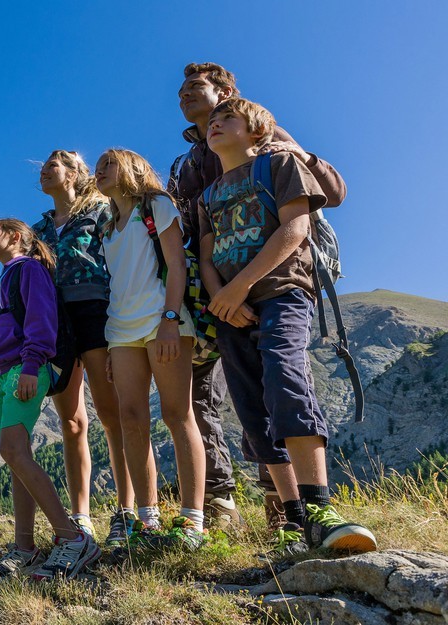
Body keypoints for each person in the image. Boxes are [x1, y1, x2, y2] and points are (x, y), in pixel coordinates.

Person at [167, 62, 348, 530]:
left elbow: (328, 195)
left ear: (227, 92)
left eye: (196, 88)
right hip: (210, 293)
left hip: (276, 279)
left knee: (281, 378)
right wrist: (214, 293)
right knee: (219, 394)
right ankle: (225, 500)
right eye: (181, 90)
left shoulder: (268, 140)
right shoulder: (186, 165)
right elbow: (191, 235)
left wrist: (291, 151)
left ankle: (296, 507)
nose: (184, 96)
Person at [198, 98, 376, 556]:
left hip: (283, 293)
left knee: (286, 381)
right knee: (252, 406)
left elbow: (294, 231)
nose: (215, 123)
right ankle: (294, 520)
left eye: (227, 118)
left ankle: (320, 508)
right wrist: (224, 300)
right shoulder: (207, 195)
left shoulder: (280, 163)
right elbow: (205, 256)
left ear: (257, 131)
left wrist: (238, 288)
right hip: (231, 311)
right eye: (212, 121)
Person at [94, 149, 210, 549]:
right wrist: (111, 346)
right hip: (121, 330)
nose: (100, 171)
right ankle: (147, 520)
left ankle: (193, 521)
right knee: (130, 418)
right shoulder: (108, 227)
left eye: (109, 164)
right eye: (98, 167)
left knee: (178, 415)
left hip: (164, 321)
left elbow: (176, 265)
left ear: (132, 168)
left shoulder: (156, 205)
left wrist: (170, 320)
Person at [0, 218, 101, 581]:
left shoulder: (28, 270)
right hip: (3, 374)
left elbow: (40, 321)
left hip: (24, 369)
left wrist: (32, 365)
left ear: (15, 237)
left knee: (13, 452)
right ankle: (25, 548)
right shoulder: (4, 278)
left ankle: (73, 538)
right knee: (18, 458)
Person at [30, 151, 130, 546]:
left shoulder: (101, 211)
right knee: (71, 422)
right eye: (43, 167)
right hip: (57, 323)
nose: (45, 169)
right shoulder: (37, 229)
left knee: (112, 413)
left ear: (74, 174)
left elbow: (123, 257)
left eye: (54, 164)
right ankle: (81, 517)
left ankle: (126, 509)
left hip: (97, 312)